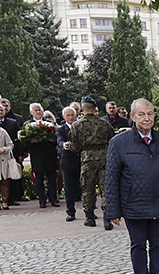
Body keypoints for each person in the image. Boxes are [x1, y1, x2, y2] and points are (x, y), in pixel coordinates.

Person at [106, 98, 159, 274]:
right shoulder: (119, 143)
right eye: (141, 114)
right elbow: (111, 178)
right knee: (138, 245)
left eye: (149, 114)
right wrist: (113, 210)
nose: (146, 118)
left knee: (158, 244)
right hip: (134, 204)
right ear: (132, 117)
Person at [67, 96, 115, 228]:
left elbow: (75, 147)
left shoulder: (77, 125)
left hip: (87, 159)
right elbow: (113, 140)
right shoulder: (104, 123)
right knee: (106, 189)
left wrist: (69, 146)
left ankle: (90, 218)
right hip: (104, 158)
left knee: (88, 189)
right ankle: (107, 219)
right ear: (95, 109)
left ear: (82, 109)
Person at [24, 103, 60, 208]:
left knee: (52, 178)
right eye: (36, 110)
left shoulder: (50, 123)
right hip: (37, 155)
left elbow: (56, 138)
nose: (38, 112)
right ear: (31, 112)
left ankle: (53, 199)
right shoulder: (28, 124)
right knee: (39, 179)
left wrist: (50, 139)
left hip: (50, 154)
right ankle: (42, 200)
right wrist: (33, 141)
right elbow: (24, 141)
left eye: (40, 110)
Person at [57, 104, 82, 221]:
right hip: (68, 162)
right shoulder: (61, 129)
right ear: (63, 116)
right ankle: (70, 212)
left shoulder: (81, 126)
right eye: (68, 115)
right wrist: (63, 145)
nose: (71, 117)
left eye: (73, 115)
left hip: (82, 160)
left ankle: (89, 210)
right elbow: (59, 140)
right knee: (69, 188)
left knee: (85, 187)